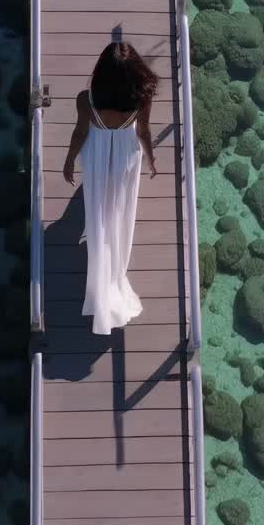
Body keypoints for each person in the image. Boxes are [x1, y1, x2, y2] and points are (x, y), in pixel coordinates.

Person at [61, 42, 159, 335]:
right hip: (126, 158)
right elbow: (143, 131)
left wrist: (68, 161)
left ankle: (98, 244)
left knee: (97, 208)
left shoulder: (86, 100)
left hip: (97, 158)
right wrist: (151, 158)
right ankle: (114, 271)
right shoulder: (141, 100)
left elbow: (80, 133)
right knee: (119, 207)